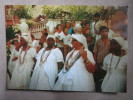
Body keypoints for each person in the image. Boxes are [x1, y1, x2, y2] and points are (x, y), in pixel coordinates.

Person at [93, 26, 110, 92]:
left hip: (108, 63)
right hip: (99, 62)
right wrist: (95, 63)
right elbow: (95, 53)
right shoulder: (97, 41)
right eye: (102, 31)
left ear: (108, 32)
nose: (104, 33)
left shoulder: (111, 41)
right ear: (100, 33)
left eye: (106, 31)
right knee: (98, 78)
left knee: (106, 78)